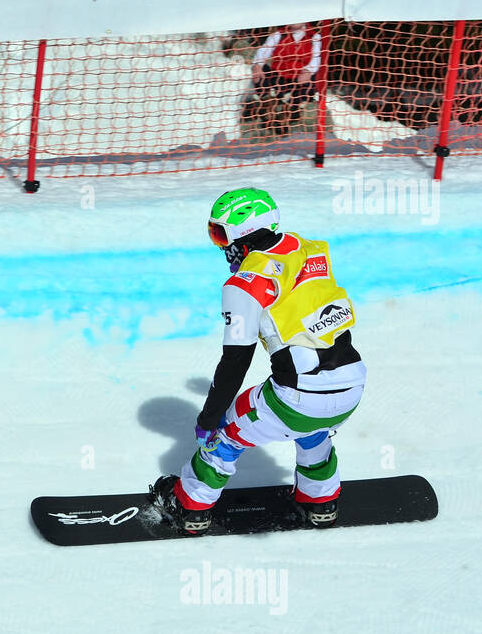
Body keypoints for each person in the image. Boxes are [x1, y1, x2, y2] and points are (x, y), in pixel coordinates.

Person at [149, 188, 365, 535]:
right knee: (313, 432)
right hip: (352, 384)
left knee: (226, 437)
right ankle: (320, 501)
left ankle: (191, 506)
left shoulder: (246, 282)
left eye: (219, 234)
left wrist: (209, 416)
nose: (220, 246)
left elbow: (235, 362)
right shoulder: (309, 251)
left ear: (242, 233)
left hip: (299, 394)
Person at [243, 23, 321, 134]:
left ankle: (288, 114)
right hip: (279, 77)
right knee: (262, 70)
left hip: (298, 78)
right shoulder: (279, 34)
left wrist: (309, 71)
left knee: (312, 81)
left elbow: (317, 58)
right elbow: (264, 51)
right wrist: (257, 65)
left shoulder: (314, 37)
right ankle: (266, 105)